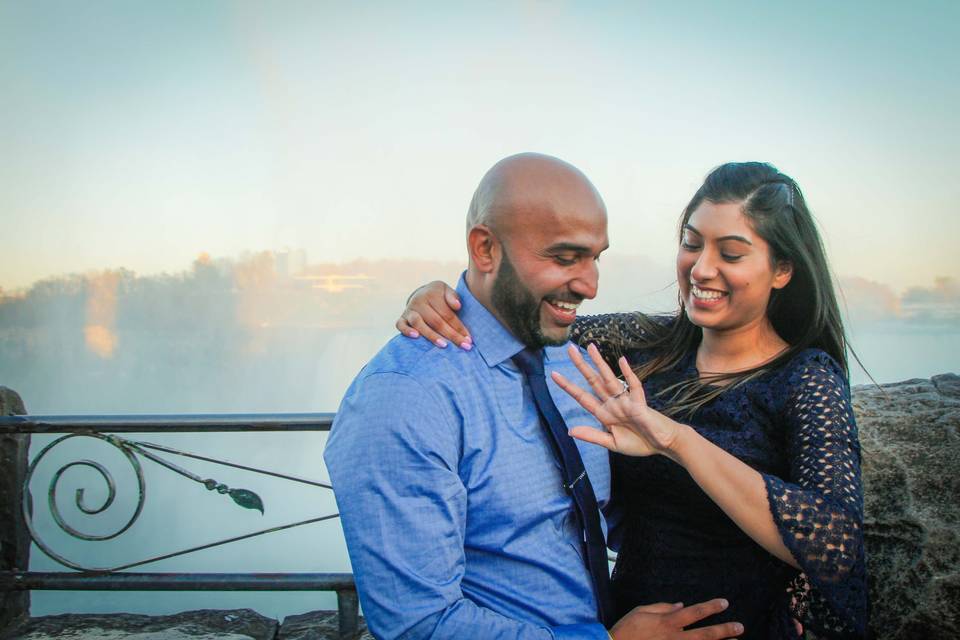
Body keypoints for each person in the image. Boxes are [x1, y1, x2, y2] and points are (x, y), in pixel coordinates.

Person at [396, 162, 869, 639]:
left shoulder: (804, 377)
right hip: (624, 626)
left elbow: (833, 545)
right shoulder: (644, 345)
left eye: (730, 253)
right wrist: (437, 296)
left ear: (782, 270)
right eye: (692, 243)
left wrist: (676, 442)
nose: (702, 268)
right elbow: (523, 314)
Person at [325, 153, 744, 639]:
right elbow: (418, 624)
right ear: (484, 249)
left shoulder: (571, 359)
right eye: (565, 258)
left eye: (596, 257)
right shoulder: (405, 399)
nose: (590, 285)